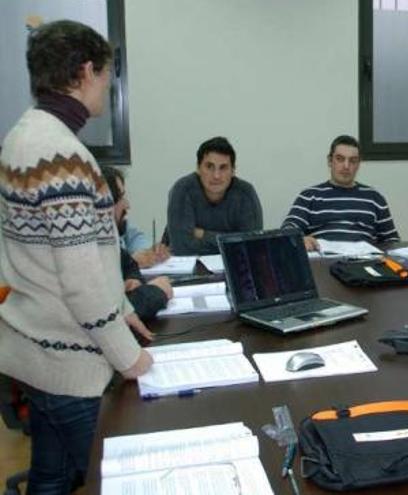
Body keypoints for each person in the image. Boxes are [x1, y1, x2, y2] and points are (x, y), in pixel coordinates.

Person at [0, 20, 152, 493]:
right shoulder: (62, 157)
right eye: (106, 75)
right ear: (87, 71)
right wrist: (129, 358)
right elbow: (81, 280)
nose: (107, 87)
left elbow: (54, 255)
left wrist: (125, 309)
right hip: (70, 363)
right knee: (108, 479)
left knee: (52, 477)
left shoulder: (22, 135)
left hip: (33, 348)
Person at [281, 135, 400, 251]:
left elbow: (392, 241)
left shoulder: (375, 198)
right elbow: (287, 230)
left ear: (358, 165)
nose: (346, 166)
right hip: (322, 263)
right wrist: (301, 239)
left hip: (364, 263)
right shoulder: (309, 196)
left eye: (353, 161)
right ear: (329, 161)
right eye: (340, 159)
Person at [167, 136, 263, 255]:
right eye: (209, 167)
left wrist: (202, 234)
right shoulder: (183, 189)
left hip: (232, 268)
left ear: (233, 171)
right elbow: (183, 248)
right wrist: (230, 241)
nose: (216, 176)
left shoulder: (245, 194)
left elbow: (252, 248)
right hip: (184, 269)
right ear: (198, 168)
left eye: (223, 168)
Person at [101, 166, 173, 320]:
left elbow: (130, 262)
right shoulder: (87, 252)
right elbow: (114, 314)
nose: (127, 205)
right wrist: (157, 291)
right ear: (102, 205)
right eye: (120, 198)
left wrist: (148, 253)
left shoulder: (109, 234)